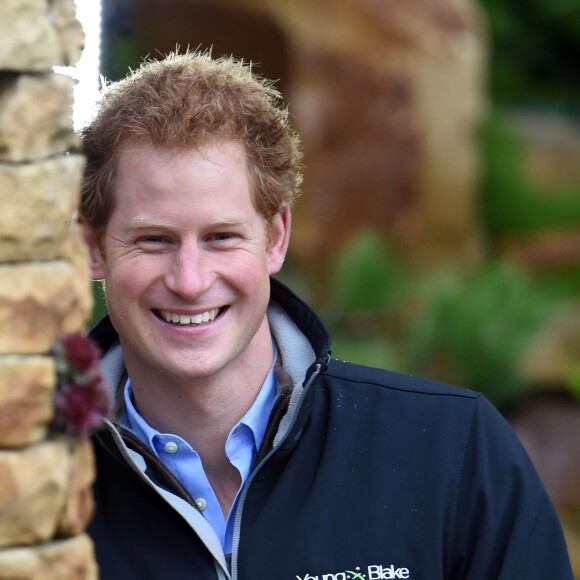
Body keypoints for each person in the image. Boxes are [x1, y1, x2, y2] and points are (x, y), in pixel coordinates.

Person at [79, 51, 573, 580]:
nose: (191, 279)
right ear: (92, 249)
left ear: (276, 238)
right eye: (154, 240)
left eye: (221, 237)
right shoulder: (29, 482)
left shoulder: (455, 451)